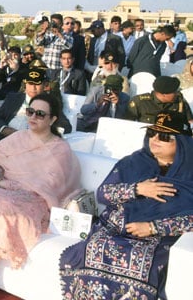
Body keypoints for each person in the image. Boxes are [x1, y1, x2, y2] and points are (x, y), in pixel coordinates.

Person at [0, 93, 81, 300]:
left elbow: (43, 187)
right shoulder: (19, 137)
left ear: (53, 119)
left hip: (34, 201)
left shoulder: (60, 149)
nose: (33, 117)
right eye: (30, 111)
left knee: (2, 207)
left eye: (40, 114)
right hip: (2, 193)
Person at [60, 110, 193, 300]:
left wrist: (153, 227)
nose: (155, 139)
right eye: (151, 133)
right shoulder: (133, 162)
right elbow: (103, 193)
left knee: (140, 263)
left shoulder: (189, 172)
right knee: (95, 246)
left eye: (164, 136)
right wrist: (137, 189)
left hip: (157, 237)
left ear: (183, 143)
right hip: (114, 227)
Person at [0, 68, 72, 144]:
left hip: (32, 143)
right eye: (30, 83)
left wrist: (40, 134)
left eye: (37, 84)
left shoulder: (49, 103)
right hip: (8, 136)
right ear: (25, 84)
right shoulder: (13, 97)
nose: (33, 88)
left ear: (45, 85)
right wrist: (5, 129)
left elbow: (66, 126)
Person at [125, 76, 193, 124]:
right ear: (163, 94)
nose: (177, 93)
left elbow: (190, 122)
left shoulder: (180, 102)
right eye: (174, 92)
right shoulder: (139, 102)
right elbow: (128, 124)